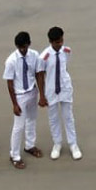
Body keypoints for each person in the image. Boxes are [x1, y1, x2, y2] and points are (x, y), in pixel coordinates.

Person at [4, 30, 44, 170]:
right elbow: (9, 83)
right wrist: (14, 103)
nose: (22, 50)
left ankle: (29, 145)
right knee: (18, 126)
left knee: (32, 120)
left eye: (24, 47)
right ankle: (14, 155)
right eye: (19, 47)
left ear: (29, 44)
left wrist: (42, 95)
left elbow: (39, 74)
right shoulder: (11, 60)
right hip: (20, 95)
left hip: (32, 92)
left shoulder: (35, 55)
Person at [40, 27, 80, 160]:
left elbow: (64, 67)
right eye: (57, 42)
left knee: (68, 116)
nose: (60, 44)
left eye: (61, 40)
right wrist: (41, 95)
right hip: (51, 90)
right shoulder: (44, 56)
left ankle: (73, 144)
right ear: (51, 42)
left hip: (65, 87)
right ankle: (57, 143)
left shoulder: (67, 51)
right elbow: (40, 75)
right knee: (53, 118)